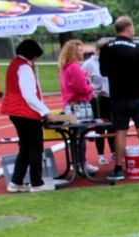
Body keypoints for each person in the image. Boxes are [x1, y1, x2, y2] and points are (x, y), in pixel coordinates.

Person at [100, 15, 139, 180]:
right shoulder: (137, 48)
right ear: (129, 28)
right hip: (138, 96)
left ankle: (118, 168)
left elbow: (103, 72)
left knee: (120, 132)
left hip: (117, 96)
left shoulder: (107, 48)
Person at [0, 39, 56, 193]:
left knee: (25, 148)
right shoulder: (24, 68)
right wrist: (45, 112)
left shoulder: (15, 64)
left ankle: (16, 181)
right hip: (25, 113)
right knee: (35, 148)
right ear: (33, 55)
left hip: (16, 112)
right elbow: (29, 95)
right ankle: (36, 183)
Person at [58, 38, 97, 174]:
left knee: (76, 135)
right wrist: (90, 86)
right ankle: (81, 163)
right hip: (79, 106)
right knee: (80, 135)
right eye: (79, 50)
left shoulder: (66, 67)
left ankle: (78, 163)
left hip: (70, 105)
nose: (82, 53)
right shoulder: (74, 67)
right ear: (73, 52)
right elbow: (81, 88)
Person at [82, 38, 115, 165]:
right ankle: (101, 154)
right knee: (100, 128)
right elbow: (83, 80)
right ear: (99, 50)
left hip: (111, 98)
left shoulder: (110, 61)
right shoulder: (89, 64)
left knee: (112, 127)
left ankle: (113, 152)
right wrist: (92, 91)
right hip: (98, 100)